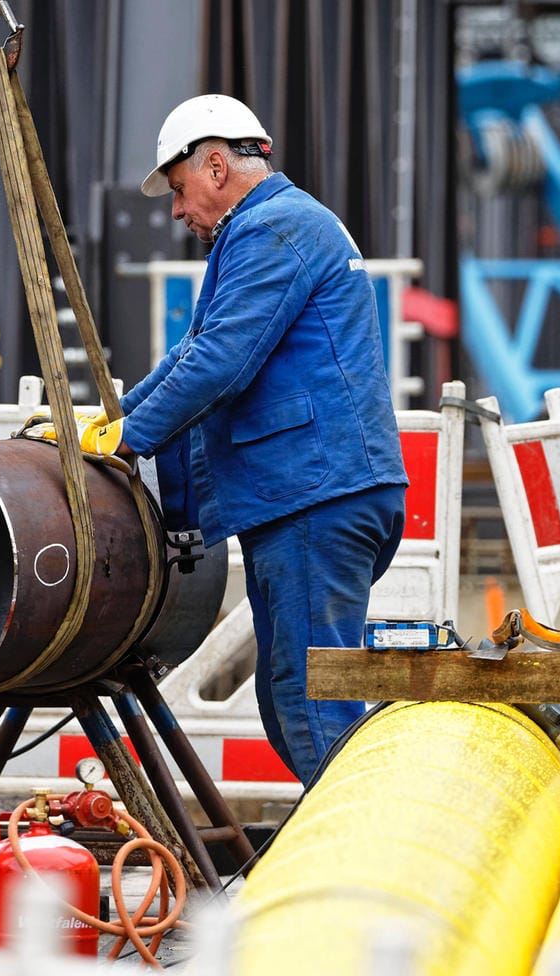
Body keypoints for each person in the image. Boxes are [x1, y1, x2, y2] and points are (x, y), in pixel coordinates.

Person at [89, 94, 408, 783]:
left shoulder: (277, 228)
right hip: (315, 493)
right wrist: (111, 420)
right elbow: (194, 351)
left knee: (309, 699)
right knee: (287, 697)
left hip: (313, 497)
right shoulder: (277, 226)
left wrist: (124, 441)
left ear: (214, 165)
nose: (176, 211)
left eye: (178, 191)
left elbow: (220, 362)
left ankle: (354, 866)